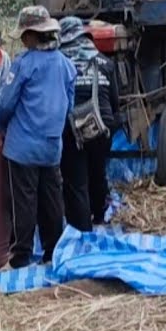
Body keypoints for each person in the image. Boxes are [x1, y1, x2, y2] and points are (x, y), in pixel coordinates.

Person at [0, 6, 77, 268]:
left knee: (24, 201)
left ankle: (21, 256)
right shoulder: (66, 65)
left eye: (24, 35)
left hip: (22, 147)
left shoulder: (23, 64)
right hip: (52, 146)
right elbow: (69, 104)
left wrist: (0, 125)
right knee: (52, 200)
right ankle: (53, 252)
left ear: (31, 35)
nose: (22, 40)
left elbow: (6, 104)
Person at [57, 16, 121, 229]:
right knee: (98, 171)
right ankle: (100, 216)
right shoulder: (105, 61)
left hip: (71, 126)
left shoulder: (60, 62)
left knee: (76, 179)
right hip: (101, 125)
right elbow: (114, 101)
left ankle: (81, 227)